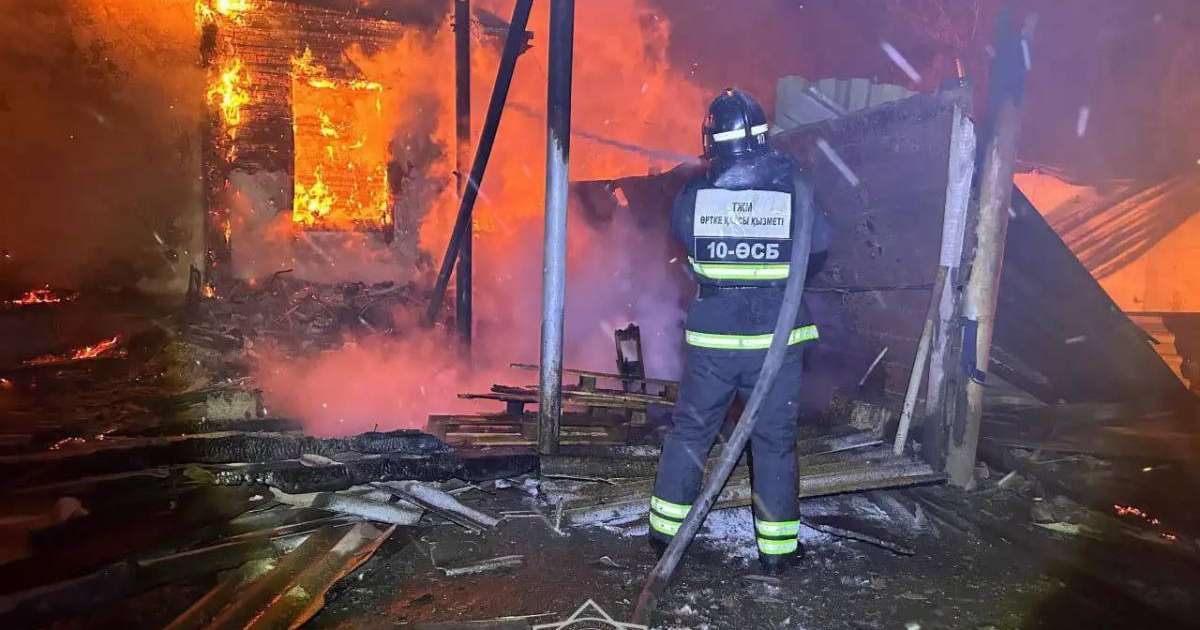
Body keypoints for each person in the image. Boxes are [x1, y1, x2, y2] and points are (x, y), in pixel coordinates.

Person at [648, 88, 829, 576]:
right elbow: (822, 241)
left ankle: (665, 535)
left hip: (715, 346)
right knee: (773, 442)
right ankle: (777, 552)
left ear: (713, 137)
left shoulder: (695, 192)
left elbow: (684, 243)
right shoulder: (792, 184)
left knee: (690, 434)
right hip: (777, 342)